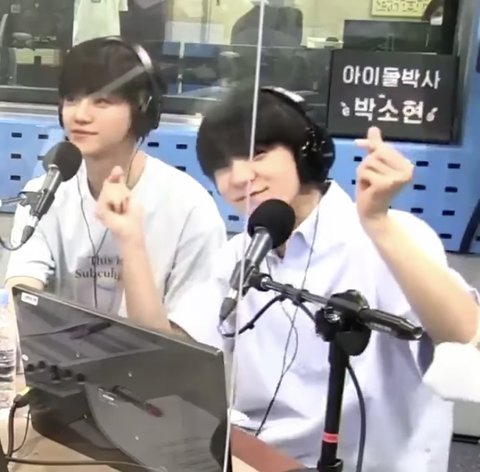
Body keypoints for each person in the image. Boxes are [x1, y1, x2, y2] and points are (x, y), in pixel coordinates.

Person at [91, 86, 480, 472]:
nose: (239, 176)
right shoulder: (240, 254)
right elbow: (168, 356)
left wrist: (377, 222)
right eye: (223, 167)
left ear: (306, 155)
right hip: (256, 459)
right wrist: (131, 240)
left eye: (258, 154)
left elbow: (467, 335)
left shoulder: (389, 236)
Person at [5, 37, 226, 324]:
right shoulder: (43, 194)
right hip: (57, 353)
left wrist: (131, 242)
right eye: (71, 99)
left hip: (150, 354)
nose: (80, 115)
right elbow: (20, 297)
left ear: (142, 107)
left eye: (102, 101)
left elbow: (179, 347)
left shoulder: (190, 209)